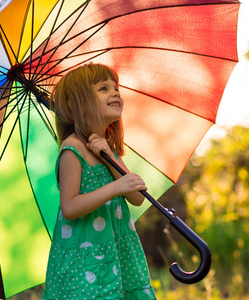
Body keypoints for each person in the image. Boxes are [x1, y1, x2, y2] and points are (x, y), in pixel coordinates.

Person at [42, 63, 157, 299]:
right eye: (103, 89)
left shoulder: (108, 151)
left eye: (116, 88)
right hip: (86, 257)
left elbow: (136, 196)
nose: (115, 93)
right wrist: (115, 187)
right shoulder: (73, 149)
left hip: (117, 250)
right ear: (76, 105)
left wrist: (109, 158)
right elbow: (70, 207)